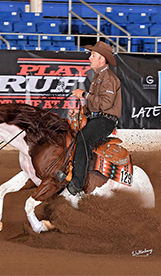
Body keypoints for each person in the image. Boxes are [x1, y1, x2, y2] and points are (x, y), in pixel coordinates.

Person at [57, 41, 122, 196]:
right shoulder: (99, 77)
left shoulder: (109, 79)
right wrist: (80, 111)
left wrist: (84, 94)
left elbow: (106, 104)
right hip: (96, 118)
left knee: (83, 139)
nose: (89, 58)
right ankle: (69, 171)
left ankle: (77, 184)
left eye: (93, 55)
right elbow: (93, 105)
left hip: (105, 120)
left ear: (102, 59)